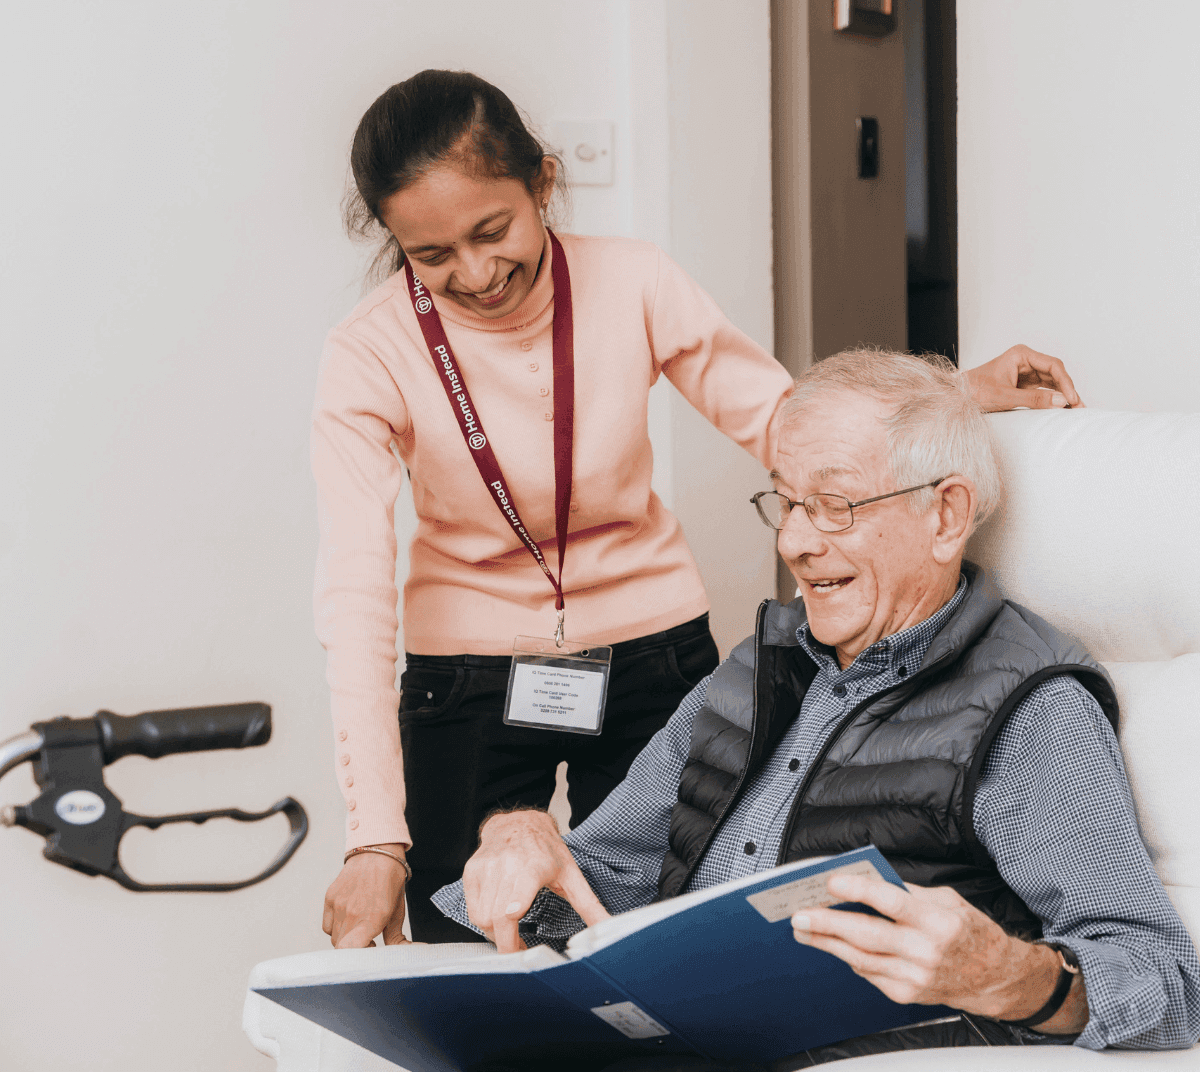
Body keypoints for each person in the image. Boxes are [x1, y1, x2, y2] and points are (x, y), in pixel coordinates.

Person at [314, 69, 1085, 950]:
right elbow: (355, 592)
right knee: (470, 952)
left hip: (652, 655)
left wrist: (952, 391)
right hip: (468, 676)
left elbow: (779, 418)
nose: (478, 273)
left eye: (493, 231)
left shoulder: (634, 280)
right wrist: (376, 838)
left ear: (543, 184)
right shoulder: (366, 353)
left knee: (661, 940)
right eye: (432, 255)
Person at [433, 349, 1200, 1063]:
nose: (795, 541)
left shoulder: (1031, 711)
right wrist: (521, 835)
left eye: (833, 505)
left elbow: (1167, 982)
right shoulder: (746, 675)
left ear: (946, 516)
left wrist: (1013, 976)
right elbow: (596, 881)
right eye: (789, 503)